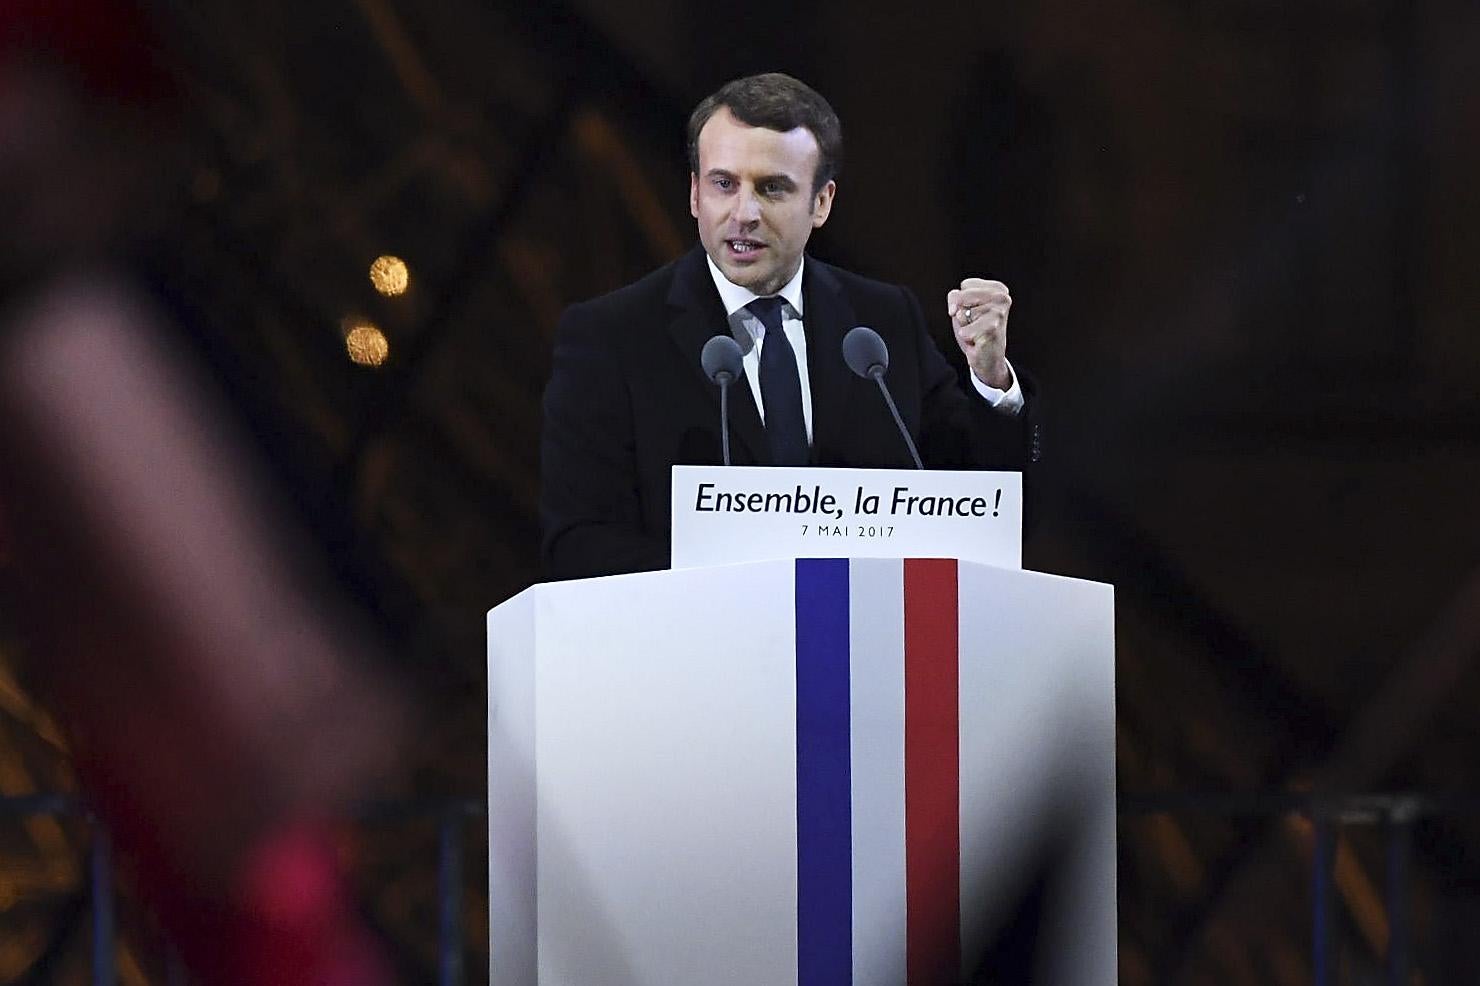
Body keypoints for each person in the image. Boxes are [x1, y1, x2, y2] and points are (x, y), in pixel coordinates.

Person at [541, 72, 1041, 580]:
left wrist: (991, 380)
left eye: (772, 188)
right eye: (723, 184)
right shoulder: (612, 338)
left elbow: (984, 512)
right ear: (695, 195)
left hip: (863, 644)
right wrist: (752, 587)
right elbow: (580, 543)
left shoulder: (883, 325)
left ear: (821, 202)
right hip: (698, 648)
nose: (745, 213)